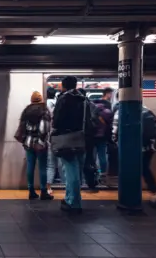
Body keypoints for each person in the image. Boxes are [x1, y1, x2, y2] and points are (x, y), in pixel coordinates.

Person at [51, 76, 93, 213]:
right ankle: (71, 198)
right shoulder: (84, 99)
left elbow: (56, 121)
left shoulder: (63, 99)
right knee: (77, 172)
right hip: (82, 138)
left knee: (70, 171)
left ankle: (73, 202)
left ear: (63, 86)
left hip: (67, 139)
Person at [112, 105, 156, 207]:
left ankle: (131, 197)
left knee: (131, 170)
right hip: (149, 147)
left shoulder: (120, 112)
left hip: (132, 148)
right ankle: (155, 193)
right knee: (145, 169)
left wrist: (116, 143)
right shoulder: (148, 110)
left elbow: (115, 131)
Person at [16, 91, 54, 200]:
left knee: (30, 166)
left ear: (31, 100)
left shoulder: (26, 111)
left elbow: (22, 127)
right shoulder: (44, 110)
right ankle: (43, 191)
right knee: (42, 167)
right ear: (41, 99)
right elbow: (44, 129)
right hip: (40, 143)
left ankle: (31, 191)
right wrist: (42, 140)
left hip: (28, 142)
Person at [46, 87, 60, 194]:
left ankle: (47, 187)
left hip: (45, 138)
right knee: (58, 164)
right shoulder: (57, 105)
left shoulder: (43, 105)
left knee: (48, 164)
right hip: (57, 137)